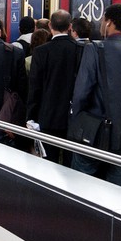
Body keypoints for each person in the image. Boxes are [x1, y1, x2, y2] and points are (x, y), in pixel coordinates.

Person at [70, 4, 121, 186]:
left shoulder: (94, 49)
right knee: (116, 187)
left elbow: (82, 92)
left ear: (109, 22)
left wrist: (77, 120)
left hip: (93, 130)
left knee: (82, 183)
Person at [27, 10, 82, 166]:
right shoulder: (81, 49)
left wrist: (31, 116)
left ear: (50, 26)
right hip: (73, 117)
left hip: (47, 114)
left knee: (48, 161)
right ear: (70, 26)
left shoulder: (41, 51)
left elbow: (35, 87)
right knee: (70, 162)